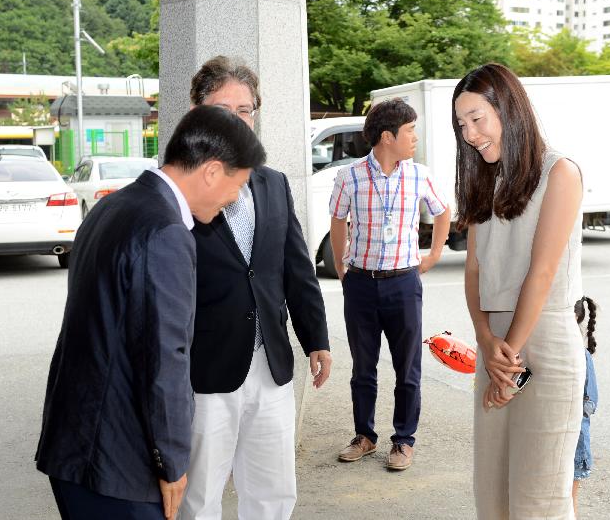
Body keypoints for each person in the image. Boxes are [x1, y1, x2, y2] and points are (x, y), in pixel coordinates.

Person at [35, 105, 266, 520]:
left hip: (73, 441)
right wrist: (173, 463)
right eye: (238, 185)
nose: (235, 199)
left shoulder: (112, 207)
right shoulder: (166, 233)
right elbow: (164, 359)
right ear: (212, 171)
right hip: (117, 458)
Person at [183, 56, 332, 520]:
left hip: (270, 366)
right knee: (199, 494)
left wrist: (317, 339)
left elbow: (296, 269)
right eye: (222, 108)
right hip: (204, 370)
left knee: (273, 490)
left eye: (245, 110)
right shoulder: (177, 189)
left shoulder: (272, 183)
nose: (235, 120)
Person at [453, 62, 585, 519]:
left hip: (543, 345)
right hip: (497, 348)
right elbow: (473, 271)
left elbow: (542, 274)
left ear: (508, 110)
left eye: (477, 118)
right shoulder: (482, 181)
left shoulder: (559, 172)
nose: (469, 134)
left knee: (538, 501)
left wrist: (506, 354)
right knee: (492, 499)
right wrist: (488, 343)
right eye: (462, 124)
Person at [330, 98, 451, 471]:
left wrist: (432, 256)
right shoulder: (349, 176)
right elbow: (338, 220)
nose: (415, 137)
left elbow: (443, 210)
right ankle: (364, 436)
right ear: (387, 136)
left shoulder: (419, 174)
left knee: (407, 368)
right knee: (363, 367)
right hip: (362, 285)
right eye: (410, 130)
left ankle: (403, 441)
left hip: (403, 283)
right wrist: (341, 266)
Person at [573, 296, 599, 518]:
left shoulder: (581, 356)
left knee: (567, 499)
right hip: (567, 438)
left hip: (574, 442)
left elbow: (590, 403)